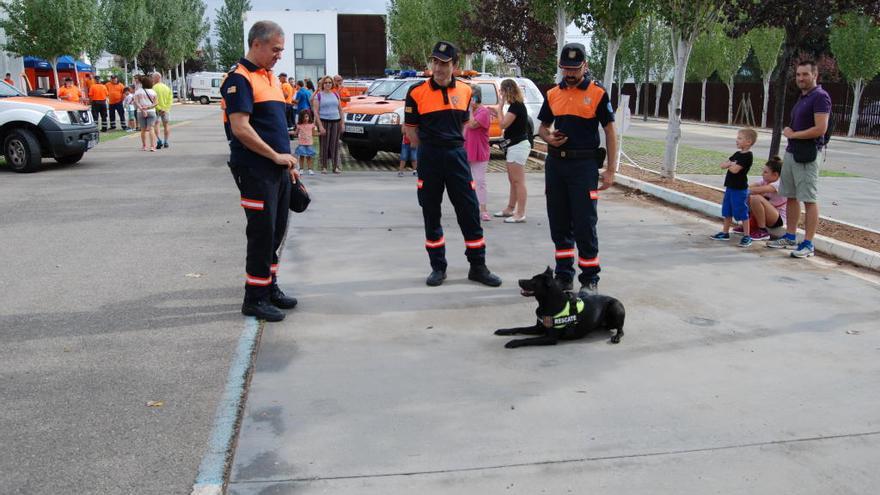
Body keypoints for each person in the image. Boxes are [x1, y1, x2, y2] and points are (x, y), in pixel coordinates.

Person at [404, 40, 502, 288]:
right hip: (430, 157)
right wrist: (429, 149)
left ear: (455, 66)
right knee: (431, 213)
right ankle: (438, 267)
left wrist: (451, 145)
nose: (438, 67)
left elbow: (463, 124)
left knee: (469, 212)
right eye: (435, 62)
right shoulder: (416, 92)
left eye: (444, 63)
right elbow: (411, 130)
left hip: (457, 156)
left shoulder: (467, 91)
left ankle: (478, 267)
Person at [221, 20, 298, 322]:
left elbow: (275, 127)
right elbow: (241, 129)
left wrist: (287, 162)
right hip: (255, 169)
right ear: (257, 44)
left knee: (276, 231)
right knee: (261, 233)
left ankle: (270, 288)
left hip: (277, 169)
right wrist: (276, 157)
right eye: (276, 49)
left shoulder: (271, 78)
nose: (280, 55)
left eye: (281, 49)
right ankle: (254, 299)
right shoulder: (238, 79)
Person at [537, 43, 617, 296]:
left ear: (585, 66)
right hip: (556, 165)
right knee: (559, 222)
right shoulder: (552, 94)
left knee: (584, 223)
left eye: (574, 69)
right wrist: (548, 138)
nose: (569, 74)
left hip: (584, 166)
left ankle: (590, 277)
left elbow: (610, 132)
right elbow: (542, 128)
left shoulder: (597, 93)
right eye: (565, 69)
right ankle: (563, 275)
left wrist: (611, 170)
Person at [766, 60, 831, 259]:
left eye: (805, 74)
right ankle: (790, 236)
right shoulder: (803, 97)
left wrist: (793, 134)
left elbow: (821, 128)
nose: (801, 78)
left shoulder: (820, 97)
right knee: (791, 196)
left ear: (815, 75)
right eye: (798, 75)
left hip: (808, 155)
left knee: (809, 199)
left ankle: (808, 243)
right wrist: (790, 134)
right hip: (793, 153)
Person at [709, 128, 756, 247]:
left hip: (739, 189)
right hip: (730, 187)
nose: (737, 140)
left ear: (748, 142)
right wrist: (731, 164)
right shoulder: (737, 154)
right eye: (737, 138)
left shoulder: (748, 156)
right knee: (727, 210)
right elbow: (722, 165)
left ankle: (747, 235)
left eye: (740, 138)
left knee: (741, 211)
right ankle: (725, 232)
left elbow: (735, 170)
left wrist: (730, 165)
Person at [494, 79, 531, 223]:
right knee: (513, 180)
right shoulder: (515, 106)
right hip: (513, 146)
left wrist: (499, 108)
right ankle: (510, 208)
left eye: (501, 91)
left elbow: (503, 124)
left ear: (506, 91)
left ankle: (520, 213)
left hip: (518, 146)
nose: (500, 94)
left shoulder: (516, 106)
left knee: (518, 181)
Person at [735, 156, 786, 241]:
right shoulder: (765, 180)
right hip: (768, 213)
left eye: (765, 172)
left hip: (777, 218)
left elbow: (759, 190)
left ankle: (762, 230)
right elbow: (749, 187)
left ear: (775, 175)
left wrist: (742, 191)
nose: (762, 174)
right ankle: (749, 225)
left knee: (755, 197)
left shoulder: (779, 183)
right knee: (746, 196)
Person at [464, 84, 491, 220]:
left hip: (479, 151)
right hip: (465, 149)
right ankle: (468, 207)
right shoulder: (466, 111)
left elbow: (472, 125)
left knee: (479, 181)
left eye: (471, 97)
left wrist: (469, 109)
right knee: (465, 181)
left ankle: (483, 209)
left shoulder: (483, 112)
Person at [313, 75, 344, 174]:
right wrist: (320, 126)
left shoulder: (336, 95)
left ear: (332, 84)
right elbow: (316, 112)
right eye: (326, 82)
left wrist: (342, 123)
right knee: (324, 145)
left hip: (336, 121)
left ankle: (335, 167)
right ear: (323, 84)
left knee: (335, 145)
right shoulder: (318, 95)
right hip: (323, 121)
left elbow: (340, 109)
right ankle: (324, 166)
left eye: (330, 82)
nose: (328, 84)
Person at [134, 75, 158, 151]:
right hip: (151, 111)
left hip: (140, 112)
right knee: (151, 129)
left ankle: (144, 146)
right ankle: (152, 146)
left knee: (143, 130)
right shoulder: (153, 92)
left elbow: (136, 102)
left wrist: (142, 109)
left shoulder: (138, 92)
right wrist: (148, 108)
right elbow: (156, 103)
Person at [152, 72, 173, 149]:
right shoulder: (167, 88)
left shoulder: (153, 88)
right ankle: (166, 141)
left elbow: (153, 100)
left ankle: (159, 140)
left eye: (153, 78)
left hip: (156, 109)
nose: (152, 79)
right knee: (166, 125)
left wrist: (159, 108)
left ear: (156, 78)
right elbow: (170, 100)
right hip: (166, 109)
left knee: (156, 125)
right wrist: (165, 108)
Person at [292, 108, 316, 175]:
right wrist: (290, 133)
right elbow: (296, 133)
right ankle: (301, 169)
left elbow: (313, 134)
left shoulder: (312, 125)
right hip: (301, 143)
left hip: (309, 143)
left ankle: (310, 169)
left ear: (309, 116)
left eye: (307, 116)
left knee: (309, 157)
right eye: (304, 117)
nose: (305, 118)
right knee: (301, 156)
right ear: (301, 117)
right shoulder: (299, 125)